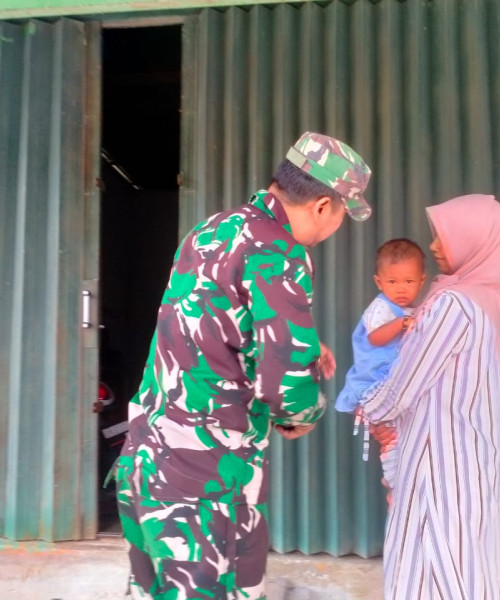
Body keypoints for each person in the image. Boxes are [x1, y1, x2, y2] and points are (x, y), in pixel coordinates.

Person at [115, 132, 372, 600]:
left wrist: (304, 347)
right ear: (321, 206)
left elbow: (216, 330)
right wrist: (303, 413)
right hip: (206, 475)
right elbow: (285, 383)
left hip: (146, 456)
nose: (336, 227)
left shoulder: (213, 229)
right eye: (340, 215)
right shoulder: (281, 252)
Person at [362, 194, 500, 600]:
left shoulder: (454, 305)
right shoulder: (489, 301)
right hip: (473, 462)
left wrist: (371, 410)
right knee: (469, 562)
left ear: (474, 241)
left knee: (435, 565)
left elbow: (405, 383)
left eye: (443, 238)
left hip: (442, 464)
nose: (433, 246)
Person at [334, 238, 426, 488]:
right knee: (388, 434)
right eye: (392, 282)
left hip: (393, 384)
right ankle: (394, 480)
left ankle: (398, 478)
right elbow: (375, 338)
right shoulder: (381, 308)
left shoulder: (412, 310)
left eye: (409, 281)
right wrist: (402, 324)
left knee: (396, 433)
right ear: (379, 282)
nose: (401, 289)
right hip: (373, 382)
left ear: (421, 281)